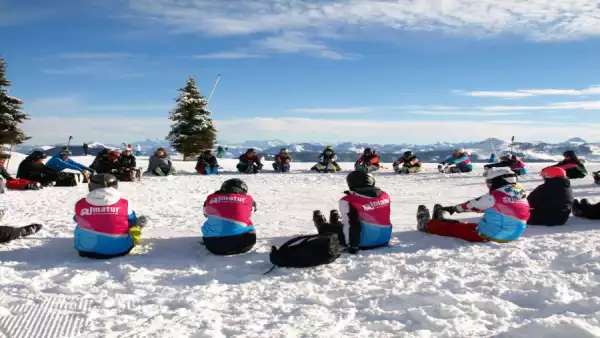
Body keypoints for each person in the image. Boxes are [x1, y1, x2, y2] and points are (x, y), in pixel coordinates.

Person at [416, 167, 530, 242]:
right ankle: (442, 221)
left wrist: (454, 208)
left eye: (489, 182)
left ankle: (427, 225)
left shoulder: (494, 197)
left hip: (494, 234)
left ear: (498, 180)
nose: (488, 185)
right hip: (512, 233)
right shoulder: (520, 193)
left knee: (452, 229)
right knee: (468, 226)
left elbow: (473, 204)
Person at [312, 171, 392, 254]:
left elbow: (353, 225)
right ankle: (336, 223)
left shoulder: (349, 200)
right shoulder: (384, 196)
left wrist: (353, 246)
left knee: (327, 228)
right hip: (384, 240)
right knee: (351, 223)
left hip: (362, 243)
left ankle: (323, 226)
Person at [73, 174, 148, 259]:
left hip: (85, 250)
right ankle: (137, 230)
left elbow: (76, 218)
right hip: (119, 250)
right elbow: (131, 222)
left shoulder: (80, 203)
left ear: (90, 186)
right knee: (135, 222)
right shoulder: (124, 203)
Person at [202, 179, 257, 255]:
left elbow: (205, 214)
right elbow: (250, 213)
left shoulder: (211, 198)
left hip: (213, 245)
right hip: (245, 244)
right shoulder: (249, 199)